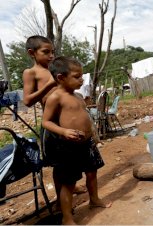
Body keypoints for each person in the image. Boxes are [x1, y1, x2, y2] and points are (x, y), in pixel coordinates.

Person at [42, 56, 111, 224]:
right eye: (76, 76)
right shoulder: (55, 98)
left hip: (86, 144)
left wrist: (93, 135)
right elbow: (46, 122)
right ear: (61, 78)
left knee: (92, 172)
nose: (81, 79)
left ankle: (94, 199)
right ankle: (67, 218)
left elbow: (85, 117)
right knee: (69, 183)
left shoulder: (78, 96)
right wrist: (64, 131)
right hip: (68, 147)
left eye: (81, 76)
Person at [22, 35, 87, 211]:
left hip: (67, 122)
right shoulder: (31, 73)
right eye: (46, 52)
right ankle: (60, 200)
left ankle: (70, 187)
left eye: (52, 52)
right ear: (31, 53)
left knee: (71, 162)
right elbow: (27, 100)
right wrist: (49, 85)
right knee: (59, 166)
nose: (51, 55)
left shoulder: (57, 69)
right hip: (52, 124)